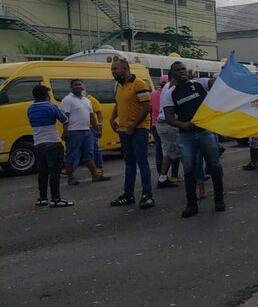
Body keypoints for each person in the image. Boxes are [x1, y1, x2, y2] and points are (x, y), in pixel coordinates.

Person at [162, 61, 224, 218]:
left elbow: (215, 82)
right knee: (189, 170)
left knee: (214, 166)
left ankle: (219, 199)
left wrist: (226, 71)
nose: (182, 72)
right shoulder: (171, 93)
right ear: (173, 74)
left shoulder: (200, 84)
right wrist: (182, 124)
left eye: (183, 69)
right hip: (186, 136)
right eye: (178, 70)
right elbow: (169, 117)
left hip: (205, 132)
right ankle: (191, 204)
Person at [109, 58, 154, 209]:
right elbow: (118, 103)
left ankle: (147, 195)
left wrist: (133, 126)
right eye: (112, 70)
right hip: (124, 129)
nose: (113, 72)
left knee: (142, 161)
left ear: (126, 68)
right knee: (129, 163)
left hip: (139, 129)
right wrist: (112, 117)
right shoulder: (119, 86)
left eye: (116, 69)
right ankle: (128, 194)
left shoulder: (138, 83)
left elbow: (146, 107)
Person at [28, 84, 73, 208]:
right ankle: (56, 199)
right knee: (55, 172)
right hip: (52, 142)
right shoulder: (51, 106)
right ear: (46, 95)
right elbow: (64, 120)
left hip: (37, 143)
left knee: (42, 172)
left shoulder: (30, 108)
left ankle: (42, 198)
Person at [60, 79, 111, 185]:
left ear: (82, 87)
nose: (78, 87)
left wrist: (97, 129)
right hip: (74, 132)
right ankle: (71, 178)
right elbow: (65, 117)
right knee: (71, 155)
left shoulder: (86, 100)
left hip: (87, 131)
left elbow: (92, 116)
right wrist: (65, 131)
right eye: (75, 85)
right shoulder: (67, 100)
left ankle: (95, 175)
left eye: (79, 85)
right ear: (71, 87)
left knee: (89, 154)